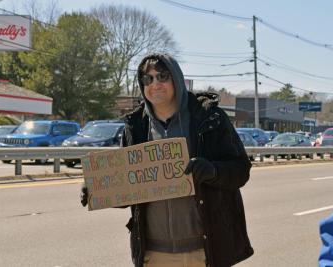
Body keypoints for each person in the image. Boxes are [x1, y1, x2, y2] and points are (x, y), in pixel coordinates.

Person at [81, 53, 253, 267]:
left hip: (205, 250)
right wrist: (99, 189)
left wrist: (213, 171)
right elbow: (131, 187)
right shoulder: (136, 127)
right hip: (153, 254)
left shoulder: (209, 118)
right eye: (148, 79)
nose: (155, 84)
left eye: (163, 76)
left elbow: (241, 170)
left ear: (177, 79)